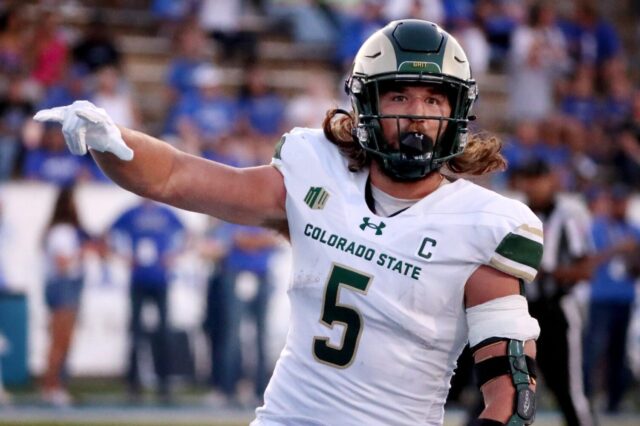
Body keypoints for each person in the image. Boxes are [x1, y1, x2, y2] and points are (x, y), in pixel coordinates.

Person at [35, 20, 543, 425]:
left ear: (457, 112)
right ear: (367, 104)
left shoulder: (482, 224)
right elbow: (174, 177)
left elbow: (511, 393)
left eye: (433, 100)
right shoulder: (315, 176)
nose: (417, 115)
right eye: (399, 96)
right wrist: (113, 140)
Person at [513, 160, 594, 426]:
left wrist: (548, 271)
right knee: (508, 381)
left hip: (557, 309)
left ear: (550, 180)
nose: (533, 185)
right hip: (521, 310)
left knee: (567, 389)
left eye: (538, 178)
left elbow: (585, 268)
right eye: (529, 178)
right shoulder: (515, 213)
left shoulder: (567, 216)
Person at [108, 199, 186, 401]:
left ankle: (164, 383)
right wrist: (124, 256)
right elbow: (109, 234)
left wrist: (174, 255)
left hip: (160, 280)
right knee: (135, 333)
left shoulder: (166, 213)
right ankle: (133, 384)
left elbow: (186, 235)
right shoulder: (131, 213)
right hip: (139, 280)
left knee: (163, 334)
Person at [40, 186, 93, 406]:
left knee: (65, 340)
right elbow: (62, 263)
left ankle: (57, 384)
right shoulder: (61, 231)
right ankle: (51, 386)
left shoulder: (63, 230)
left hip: (66, 286)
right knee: (59, 340)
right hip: (63, 286)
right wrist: (82, 252)